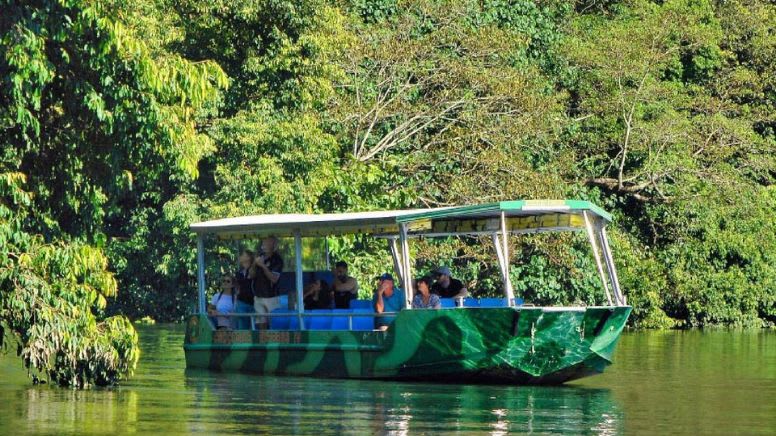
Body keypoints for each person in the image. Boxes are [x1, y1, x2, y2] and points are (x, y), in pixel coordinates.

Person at [251, 236, 283, 329]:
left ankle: (273, 341)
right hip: (258, 296)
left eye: (267, 243)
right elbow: (251, 275)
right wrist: (254, 263)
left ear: (273, 246)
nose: (264, 245)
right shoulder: (259, 257)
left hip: (271, 297)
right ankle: (263, 342)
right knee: (261, 323)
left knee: (273, 323)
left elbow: (274, 279)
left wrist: (263, 265)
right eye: (263, 243)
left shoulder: (277, 260)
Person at [233, 249, 256, 330]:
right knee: (242, 326)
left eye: (243, 255)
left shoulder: (254, 270)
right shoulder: (239, 272)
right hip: (241, 302)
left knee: (254, 327)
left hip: (254, 302)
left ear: (249, 258)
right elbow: (237, 287)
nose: (240, 257)